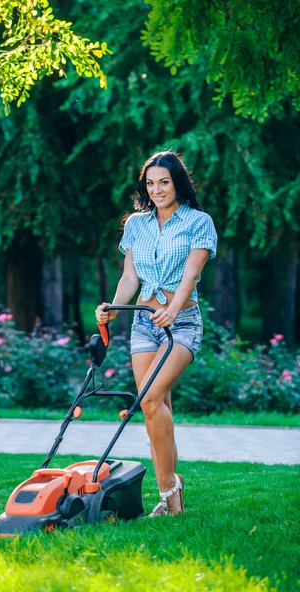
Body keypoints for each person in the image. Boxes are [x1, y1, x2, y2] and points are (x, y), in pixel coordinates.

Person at [95, 151, 217, 517]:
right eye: (151, 183)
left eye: (164, 181)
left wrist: (173, 311)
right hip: (144, 324)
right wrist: (113, 308)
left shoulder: (199, 222)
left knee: (147, 400)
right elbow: (130, 277)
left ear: (177, 182)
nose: (158, 189)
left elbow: (190, 276)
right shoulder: (136, 224)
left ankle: (169, 491)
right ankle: (171, 502)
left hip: (182, 323)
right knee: (157, 408)